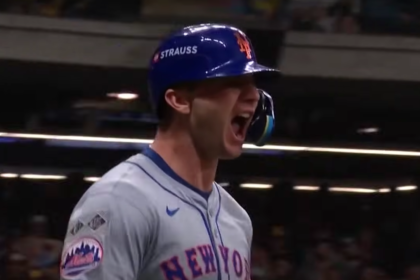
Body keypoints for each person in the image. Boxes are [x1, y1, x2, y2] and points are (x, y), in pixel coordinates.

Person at [60, 23, 281, 280]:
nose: (254, 96)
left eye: (253, 84)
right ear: (179, 100)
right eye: (233, 82)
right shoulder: (119, 201)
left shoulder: (237, 218)